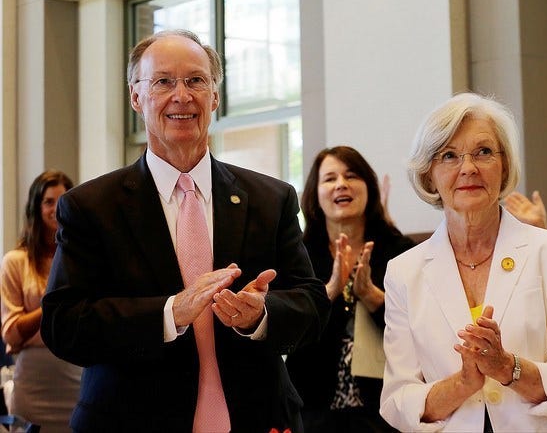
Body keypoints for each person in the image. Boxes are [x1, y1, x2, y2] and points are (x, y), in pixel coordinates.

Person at [40, 29, 330, 433]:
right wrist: (169, 313)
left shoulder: (271, 197)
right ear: (136, 97)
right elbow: (63, 325)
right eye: (163, 81)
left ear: (214, 97)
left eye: (196, 80)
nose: (182, 95)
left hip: (258, 418)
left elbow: (313, 306)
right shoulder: (91, 206)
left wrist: (260, 315)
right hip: (130, 421)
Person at [379, 92, 547, 432]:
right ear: (429, 176)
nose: (468, 168)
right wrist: (463, 383)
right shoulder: (404, 272)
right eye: (449, 156)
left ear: (505, 165)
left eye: (483, 152)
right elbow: (397, 402)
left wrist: (506, 367)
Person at [285, 146, 414, 432]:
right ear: (314, 195)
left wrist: (372, 296)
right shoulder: (298, 256)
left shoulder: (401, 252)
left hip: (387, 410)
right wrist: (329, 292)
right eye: (329, 179)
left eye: (351, 175)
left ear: (369, 187)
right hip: (312, 411)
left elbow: (422, 330)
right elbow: (287, 332)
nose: (341, 184)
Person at [1, 170, 82, 432]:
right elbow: (12, 335)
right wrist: (53, 303)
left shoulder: (81, 260)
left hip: (76, 376)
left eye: (63, 199)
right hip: (33, 382)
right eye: (49, 201)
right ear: (36, 207)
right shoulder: (15, 262)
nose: (56, 208)